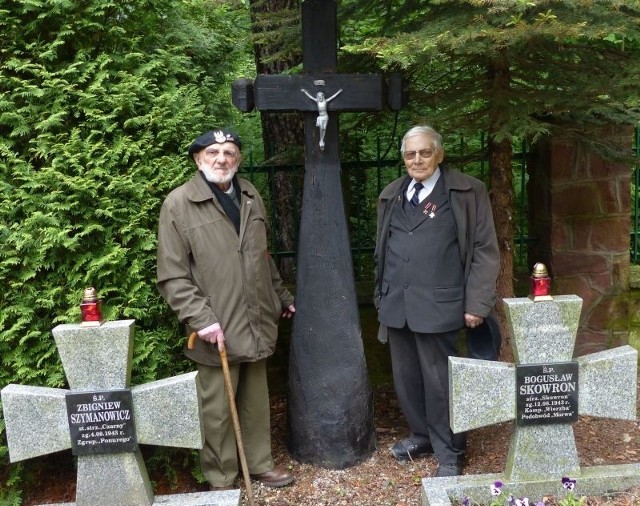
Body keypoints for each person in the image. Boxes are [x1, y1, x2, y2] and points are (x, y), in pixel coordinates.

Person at [156, 128, 296, 490]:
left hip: (257, 318)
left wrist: (281, 296)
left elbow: (262, 259)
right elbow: (172, 275)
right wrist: (201, 320)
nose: (222, 159)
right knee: (218, 410)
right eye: (213, 152)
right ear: (197, 159)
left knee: (255, 402)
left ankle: (260, 464)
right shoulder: (178, 203)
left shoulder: (250, 194)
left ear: (238, 159)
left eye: (229, 152)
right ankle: (221, 478)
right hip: (216, 325)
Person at [374, 125, 499, 477]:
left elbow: (484, 251)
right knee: (407, 378)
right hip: (397, 304)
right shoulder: (391, 194)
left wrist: (477, 302)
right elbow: (382, 251)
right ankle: (422, 435)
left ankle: (451, 450)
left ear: (439, 154)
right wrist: (380, 296)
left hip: (441, 304)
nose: (417, 160)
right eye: (410, 154)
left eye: (424, 152)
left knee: (440, 381)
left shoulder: (466, 191)